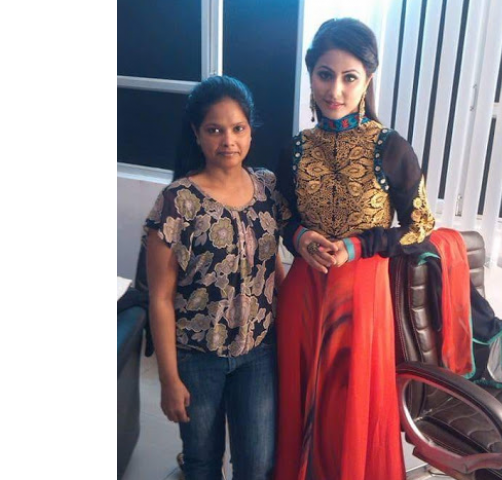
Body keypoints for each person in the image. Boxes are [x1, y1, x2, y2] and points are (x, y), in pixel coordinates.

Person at [274, 18, 436, 480]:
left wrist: (360, 244)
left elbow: (421, 227)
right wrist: (299, 237)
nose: (335, 90)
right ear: (311, 75)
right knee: (299, 404)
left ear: (367, 80)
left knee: (349, 409)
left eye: (349, 77)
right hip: (304, 295)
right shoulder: (297, 149)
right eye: (325, 75)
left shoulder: (391, 148)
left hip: (362, 299)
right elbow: (281, 215)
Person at [144, 75, 288, 480]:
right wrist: (169, 379)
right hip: (197, 358)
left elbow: (272, 263)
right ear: (197, 133)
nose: (229, 141)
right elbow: (159, 298)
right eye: (215, 130)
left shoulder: (267, 187)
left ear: (250, 130)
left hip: (258, 353)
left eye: (238, 128)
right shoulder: (177, 202)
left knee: (257, 464)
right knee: (203, 462)